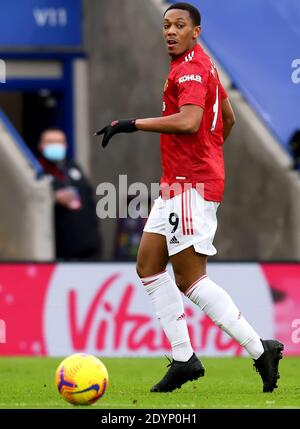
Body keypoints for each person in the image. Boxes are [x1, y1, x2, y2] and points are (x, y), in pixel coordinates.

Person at [95, 2, 283, 392]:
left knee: (191, 280)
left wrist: (131, 124)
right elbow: (225, 119)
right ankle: (184, 359)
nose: (170, 31)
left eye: (180, 25)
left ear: (196, 31)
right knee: (148, 265)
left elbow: (190, 120)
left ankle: (259, 348)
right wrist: (210, 154)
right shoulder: (204, 64)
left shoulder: (192, 69)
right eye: (166, 25)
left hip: (190, 186)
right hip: (178, 184)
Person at [38, 127, 101, 260]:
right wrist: (53, 198)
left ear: (65, 145)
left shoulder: (73, 168)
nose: (55, 146)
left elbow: (88, 200)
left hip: (88, 248)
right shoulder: (36, 171)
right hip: (59, 251)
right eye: (50, 142)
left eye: (59, 142)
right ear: (41, 146)